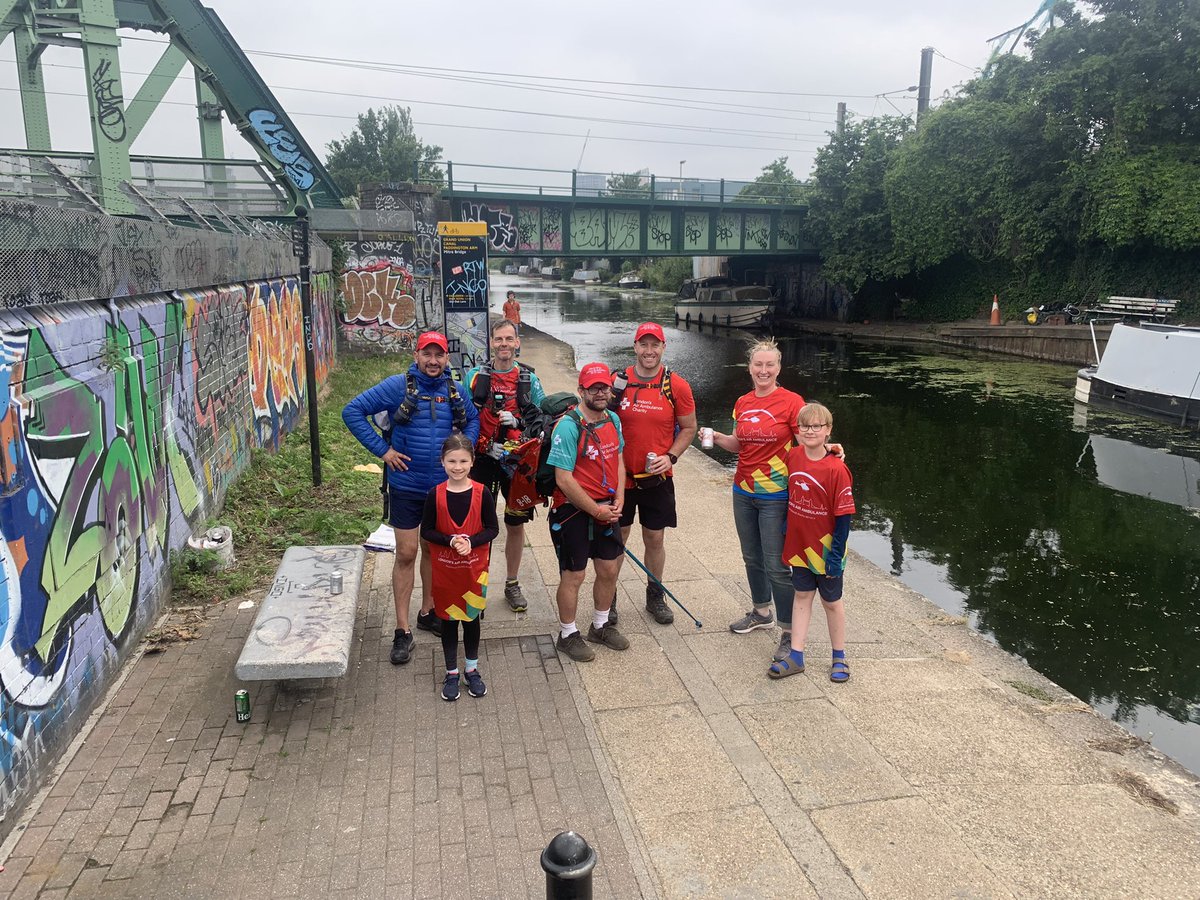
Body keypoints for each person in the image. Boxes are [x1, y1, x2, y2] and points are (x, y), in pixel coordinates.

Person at [342, 331, 480, 666]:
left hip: (441, 491)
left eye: (439, 355)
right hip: (406, 486)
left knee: (434, 550)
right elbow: (352, 410)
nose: (433, 361)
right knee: (406, 553)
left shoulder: (455, 391)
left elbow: (474, 419)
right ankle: (402, 630)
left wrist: (463, 453)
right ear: (416, 355)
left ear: (447, 359)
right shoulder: (398, 386)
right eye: (427, 354)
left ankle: (427, 611)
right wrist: (384, 451)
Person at [709, 338, 811, 662]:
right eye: (758, 365)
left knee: (777, 565)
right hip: (743, 491)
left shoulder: (792, 402)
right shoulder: (743, 402)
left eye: (770, 365)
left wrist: (828, 455)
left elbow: (807, 441)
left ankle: (789, 632)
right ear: (750, 368)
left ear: (778, 368)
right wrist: (714, 437)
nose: (763, 370)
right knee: (751, 557)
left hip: (776, 495)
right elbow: (739, 445)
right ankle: (760, 611)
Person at [609, 322, 697, 626]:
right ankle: (608, 599)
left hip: (656, 478)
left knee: (654, 538)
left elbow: (689, 428)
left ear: (663, 348)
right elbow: (597, 420)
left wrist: (670, 457)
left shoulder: (677, 385)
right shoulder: (617, 382)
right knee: (617, 539)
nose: (649, 351)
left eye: (654, 345)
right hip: (620, 478)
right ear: (634, 347)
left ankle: (655, 595)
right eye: (643, 345)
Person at [546, 362, 629, 662]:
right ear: (581, 391)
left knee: (608, 569)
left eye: (604, 387)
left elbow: (619, 459)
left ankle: (600, 625)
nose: (600, 392)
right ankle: (567, 634)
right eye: (593, 387)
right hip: (574, 510)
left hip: (607, 507)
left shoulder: (614, 421)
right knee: (574, 574)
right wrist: (595, 510)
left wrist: (619, 498)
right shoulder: (568, 426)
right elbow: (563, 479)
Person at [768, 402, 856, 682]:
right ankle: (796, 654)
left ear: (828, 430)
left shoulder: (836, 469)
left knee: (832, 602)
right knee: (802, 596)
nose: (810, 431)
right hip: (799, 545)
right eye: (804, 426)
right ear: (797, 431)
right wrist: (785, 529)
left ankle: (839, 656)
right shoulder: (793, 456)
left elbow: (844, 517)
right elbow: (790, 493)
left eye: (817, 426)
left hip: (826, 547)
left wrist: (836, 553)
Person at [464, 319, 547, 612]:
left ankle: (512, 583)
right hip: (483, 460)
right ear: (491, 342)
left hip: (516, 463)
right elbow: (463, 419)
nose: (503, 345)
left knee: (514, 523)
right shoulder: (475, 376)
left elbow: (543, 422)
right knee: (477, 525)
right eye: (498, 339)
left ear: (516, 342)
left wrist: (520, 422)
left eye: (508, 339)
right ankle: (476, 584)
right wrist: (485, 446)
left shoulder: (529, 380)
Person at [421, 435, 499, 700]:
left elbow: (492, 529)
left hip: (474, 573)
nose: (457, 466)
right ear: (442, 462)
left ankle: (472, 669)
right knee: (448, 622)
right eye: (451, 461)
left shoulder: (482, 493)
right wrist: (451, 540)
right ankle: (452, 671)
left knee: (471, 619)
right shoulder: (435, 494)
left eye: (463, 461)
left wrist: (471, 541)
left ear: (472, 462)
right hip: (446, 574)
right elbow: (427, 530)